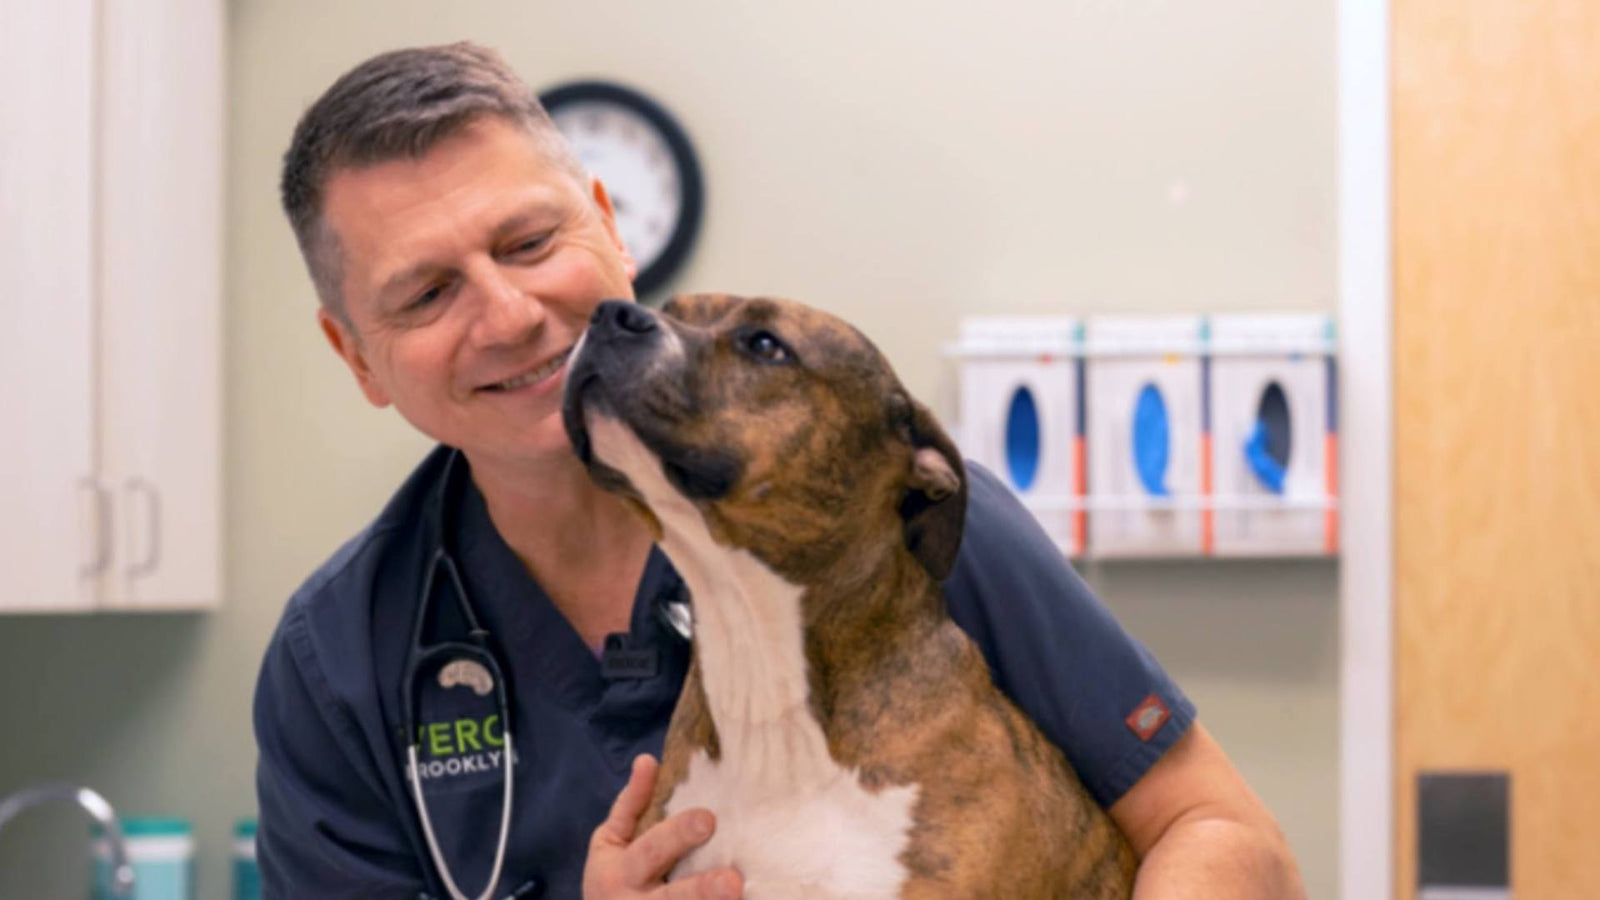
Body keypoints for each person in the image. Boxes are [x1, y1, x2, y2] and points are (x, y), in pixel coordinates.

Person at [254, 41, 1305, 900]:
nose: (508, 313)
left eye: (529, 242)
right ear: (356, 357)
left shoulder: (887, 510)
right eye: (428, 293)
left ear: (608, 229)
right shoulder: (341, 664)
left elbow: (1225, 837)